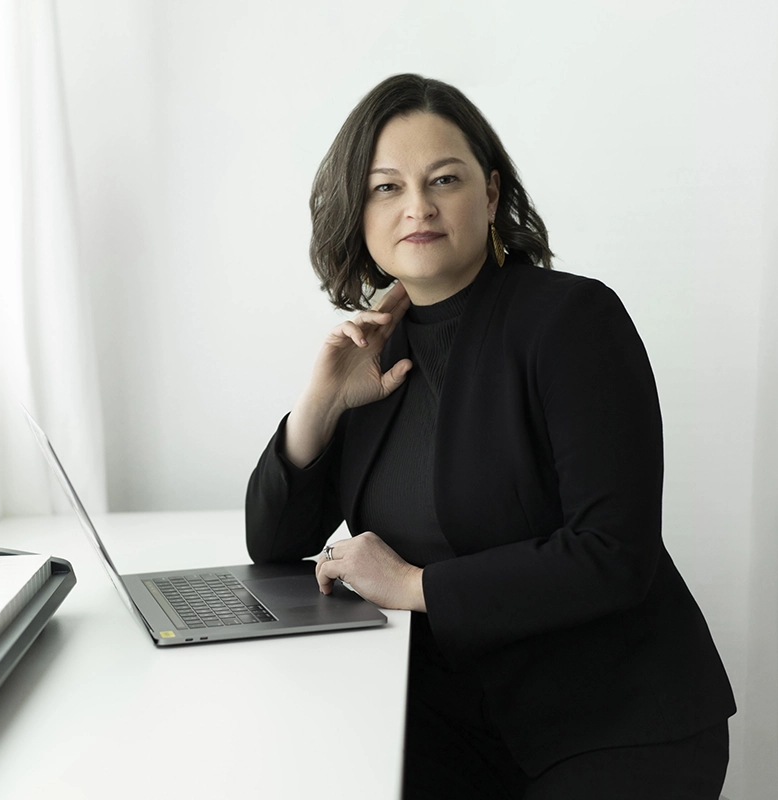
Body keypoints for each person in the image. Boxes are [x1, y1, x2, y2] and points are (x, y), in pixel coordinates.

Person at [244, 74, 735, 800]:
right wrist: (319, 404)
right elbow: (273, 545)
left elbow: (614, 553)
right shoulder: (375, 351)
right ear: (359, 211)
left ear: (493, 195)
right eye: (386, 187)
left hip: (609, 720)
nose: (418, 205)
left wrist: (414, 586)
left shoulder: (572, 321)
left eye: (444, 178)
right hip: (454, 721)